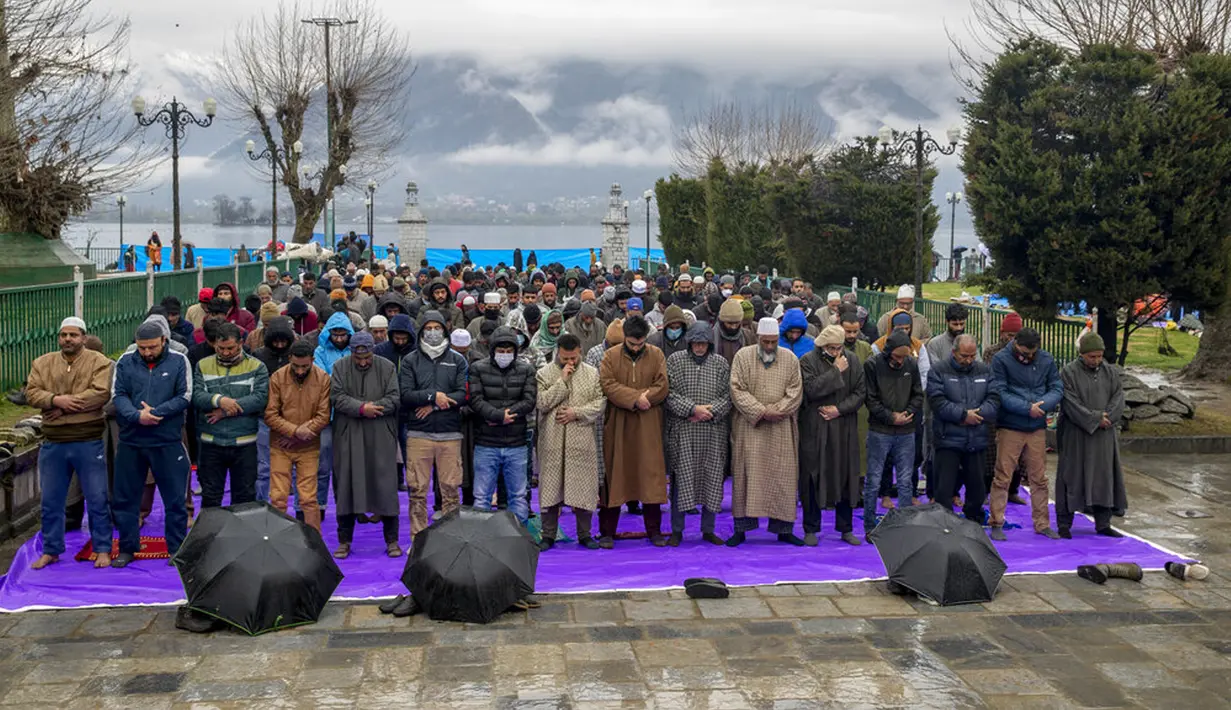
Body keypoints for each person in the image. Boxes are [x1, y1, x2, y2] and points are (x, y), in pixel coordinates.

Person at [26, 317, 114, 569]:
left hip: (88, 440)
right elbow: (32, 392)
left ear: (84, 338)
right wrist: (55, 399)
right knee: (51, 501)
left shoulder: (99, 362)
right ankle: (51, 550)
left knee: (97, 498)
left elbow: (100, 394)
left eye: (73, 335)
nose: (68, 339)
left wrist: (61, 407)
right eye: (64, 335)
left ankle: (103, 548)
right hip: (53, 442)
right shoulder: (42, 363)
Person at [110, 320, 193, 567]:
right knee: (125, 498)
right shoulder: (125, 361)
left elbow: (185, 395)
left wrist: (157, 412)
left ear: (163, 341)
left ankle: (176, 549)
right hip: (131, 441)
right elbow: (118, 395)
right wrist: (137, 416)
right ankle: (127, 548)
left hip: (167, 441)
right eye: (142, 348)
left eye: (152, 347)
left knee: (175, 499)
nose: (147, 352)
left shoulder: (179, 361)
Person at [727, 317, 805, 546]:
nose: (769, 346)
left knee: (783, 477)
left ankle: (784, 530)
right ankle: (741, 530)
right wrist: (761, 411)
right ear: (758, 338)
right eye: (765, 342)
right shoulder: (743, 356)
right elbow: (736, 389)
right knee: (746, 477)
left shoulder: (790, 359)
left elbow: (795, 392)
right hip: (751, 427)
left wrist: (777, 411)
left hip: (780, 427)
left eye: (773, 342)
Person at [598, 315, 670, 547]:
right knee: (616, 473)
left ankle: (654, 531)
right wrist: (634, 398)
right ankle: (607, 532)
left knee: (650, 475)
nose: (637, 348)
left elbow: (663, 385)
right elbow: (608, 385)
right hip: (619, 424)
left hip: (648, 423)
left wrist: (645, 398)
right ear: (625, 339)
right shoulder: (610, 356)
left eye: (640, 344)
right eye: (632, 344)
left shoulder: (656, 355)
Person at [331, 331, 402, 558]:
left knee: (385, 485)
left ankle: (392, 540)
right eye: (358, 358)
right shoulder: (340, 367)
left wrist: (375, 408)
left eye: (367, 357)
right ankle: (344, 541)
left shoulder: (387, 367)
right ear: (351, 353)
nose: (363, 362)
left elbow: (394, 398)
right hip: (349, 434)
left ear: (373, 351)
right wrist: (361, 409)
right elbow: (337, 397)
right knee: (346, 486)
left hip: (381, 432)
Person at [988, 327, 1064, 540]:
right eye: (1024, 353)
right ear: (1015, 344)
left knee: (1039, 478)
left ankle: (1042, 524)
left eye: (1032, 354)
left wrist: (1044, 405)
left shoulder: (1046, 359)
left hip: (1036, 426)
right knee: (1003, 476)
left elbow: (1057, 387)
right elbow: (999, 391)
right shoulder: (1001, 360)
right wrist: (1026, 408)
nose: (1028, 357)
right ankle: (996, 521)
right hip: (1010, 425)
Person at [400, 310, 468, 537]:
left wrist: (436, 404)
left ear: (444, 329)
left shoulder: (457, 360)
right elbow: (406, 395)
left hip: (450, 434)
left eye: (436, 328)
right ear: (421, 331)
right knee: (417, 490)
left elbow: (462, 395)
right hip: (419, 433)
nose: (432, 332)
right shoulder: (410, 360)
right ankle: (417, 539)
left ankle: (451, 538)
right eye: (428, 328)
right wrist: (432, 395)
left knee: (450, 490)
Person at [663, 322, 731, 546]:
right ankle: (677, 530)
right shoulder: (675, 361)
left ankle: (708, 529)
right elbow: (668, 393)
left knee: (711, 479)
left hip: (712, 431)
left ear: (709, 344)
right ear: (689, 342)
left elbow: (729, 396)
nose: (699, 348)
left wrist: (710, 412)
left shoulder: (720, 363)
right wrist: (692, 409)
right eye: (696, 343)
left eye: (703, 344)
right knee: (681, 480)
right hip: (684, 431)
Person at [536, 333, 606, 550]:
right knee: (550, 488)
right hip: (552, 440)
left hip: (581, 439)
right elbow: (542, 402)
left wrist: (576, 413)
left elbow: (600, 403)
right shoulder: (544, 373)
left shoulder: (592, 374)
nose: (570, 362)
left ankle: (584, 534)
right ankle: (548, 535)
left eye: (573, 358)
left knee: (583, 487)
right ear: (558, 353)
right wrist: (562, 381)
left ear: (580, 353)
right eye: (565, 358)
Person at [798, 326, 866, 547]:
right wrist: (835, 372)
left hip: (843, 425)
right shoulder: (808, 360)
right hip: (815, 427)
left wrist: (839, 409)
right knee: (812, 476)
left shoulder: (853, 360)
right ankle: (810, 527)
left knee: (846, 475)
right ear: (821, 346)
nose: (836, 352)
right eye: (831, 348)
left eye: (839, 348)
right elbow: (811, 390)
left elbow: (860, 392)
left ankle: (845, 528)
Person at [1056, 333, 1127, 538]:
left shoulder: (1110, 373)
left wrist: (1108, 418)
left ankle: (1103, 523)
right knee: (1072, 476)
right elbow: (1070, 403)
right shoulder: (1068, 372)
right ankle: (1064, 524)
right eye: (1092, 357)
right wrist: (1095, 419)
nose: (1096, 360)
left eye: (1099, 356)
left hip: (1104, 436)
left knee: (1104, 476)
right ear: (1082, 355)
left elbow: (1118, 398)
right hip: (1076, 435)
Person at [192, 322, 268, 509]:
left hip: (245, 442)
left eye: (230, 348)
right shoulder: (203, 365)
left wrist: (225, 411)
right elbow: (196, 395)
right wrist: (219, 400)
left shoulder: (257, 367)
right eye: (221, 348)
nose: (225, 353)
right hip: (211, 442)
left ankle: (241, 537)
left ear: (241, 343)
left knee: (244, 497)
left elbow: (259, 399)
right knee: (210, 497)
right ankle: (210, 537)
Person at [469, 326, 537, 525]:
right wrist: (498, 415)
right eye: (501, 351)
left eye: (509, 351)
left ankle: (519, 538)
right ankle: (479, 537)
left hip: (516, 443)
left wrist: (509, 415)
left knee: (518, 496)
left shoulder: (527, 370)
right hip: (486, 443)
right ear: (492, 350)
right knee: (482, 496)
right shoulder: (477, 368)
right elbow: (475, 399)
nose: (505, 355)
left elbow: (529, 400)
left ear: (516, 352)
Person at [928, 334, 996, 522]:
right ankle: (945, 522)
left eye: (972, 356)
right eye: (964, 356)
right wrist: (964, 416)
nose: (968, 360)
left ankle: (974, 518)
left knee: (977, 488)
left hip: (976, 438)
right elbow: (937, 401)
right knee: (944, 487)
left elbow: (994, 398)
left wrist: (979, 415)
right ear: (954, 352)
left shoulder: (984, 370)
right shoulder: (938, 370)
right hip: (948, 438)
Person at [265, 340, 331, 531]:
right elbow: (270, 414)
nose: (300, 371)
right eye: (296, 366)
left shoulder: (323, 378)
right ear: (289, 359)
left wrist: (294, 435)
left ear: (313, 359)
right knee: (278, 498)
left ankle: (314, 543)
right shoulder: (277, 377)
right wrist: (295, 431)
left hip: (308, 446)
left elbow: (324, 415)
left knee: (309, 499)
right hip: (281, 446)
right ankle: (278, 541)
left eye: (305, 366)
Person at [863, 330, 923, 537]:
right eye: (897, 357)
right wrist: (890, 417)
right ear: (888, 352)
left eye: (903, 357)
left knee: (906, 481)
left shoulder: (911, 365)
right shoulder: (872, 365)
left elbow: (918, 394)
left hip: (906, 429)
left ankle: (903, 527)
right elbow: (870, 399)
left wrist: (907, 413)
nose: (900, 361)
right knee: (873, 480)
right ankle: (869, 526)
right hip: (880, 430)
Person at [984, 312, 1027, 504]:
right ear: (1002, 333)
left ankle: (1013, 490)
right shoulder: (991, 353)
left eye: (1014, 336)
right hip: (996, 406)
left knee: (1018, 453)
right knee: (992, 451)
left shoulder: (1026, 354)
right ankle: (988, 490)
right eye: (1008, 335)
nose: (1010, 339)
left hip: (1017, 408)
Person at [252, 318, 295, 502]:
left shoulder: (295, 357)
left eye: (283, 342)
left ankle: (295, 503)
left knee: (293, 463)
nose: (279, 345)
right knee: (263, 466)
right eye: (275, 342)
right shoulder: (258, 357)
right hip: (264, 417)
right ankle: (260, 501)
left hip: (290, 418)